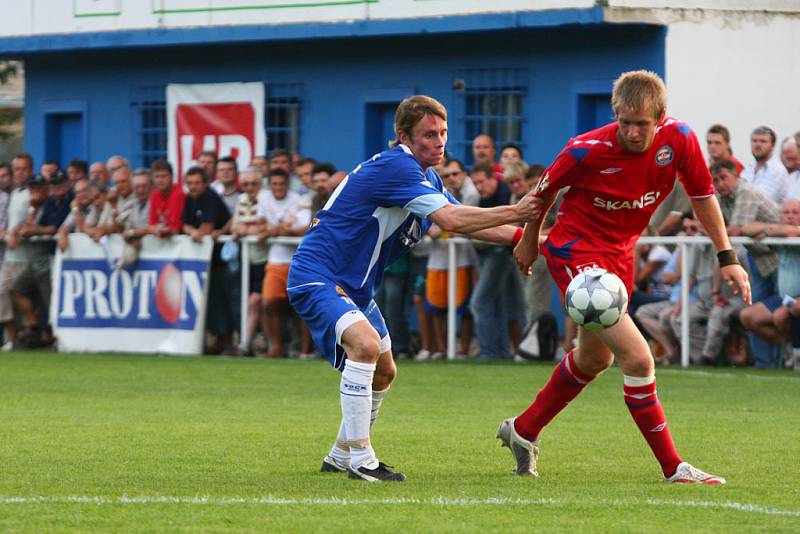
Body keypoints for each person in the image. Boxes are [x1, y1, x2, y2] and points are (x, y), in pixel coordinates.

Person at [504, 70, 750, 484]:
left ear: (661, 117)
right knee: (638, 357)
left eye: (643, 123)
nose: (633, 132)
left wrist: (727, 256)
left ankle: (523, 429)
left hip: (619, 256)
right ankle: (674, 467)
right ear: (614, 114)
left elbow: (703, 198)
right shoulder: (585, 150)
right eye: (625, 122)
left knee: (594, 359)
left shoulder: (681, 141)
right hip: (576, 254)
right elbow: (541, 194)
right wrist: (531, 240)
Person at [287, 95, 537, 482]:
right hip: (318, 275)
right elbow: (450, 216)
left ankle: (339, 454)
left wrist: (529, 238)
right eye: (428, 135)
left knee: (384, 372)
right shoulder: (397, 167)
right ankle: (361, 460)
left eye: (443, 133)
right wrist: (518, 211)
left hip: (354, 288)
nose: (438, 142)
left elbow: (462, 223)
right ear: (404, 136)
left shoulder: (426, 176)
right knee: (366, 347)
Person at [740, 126, 788, 205]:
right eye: (754, 141)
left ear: (772, 146)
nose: (758, 145)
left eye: (763, 141)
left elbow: (760, 202)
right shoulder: (750, 167)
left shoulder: (777, 171)